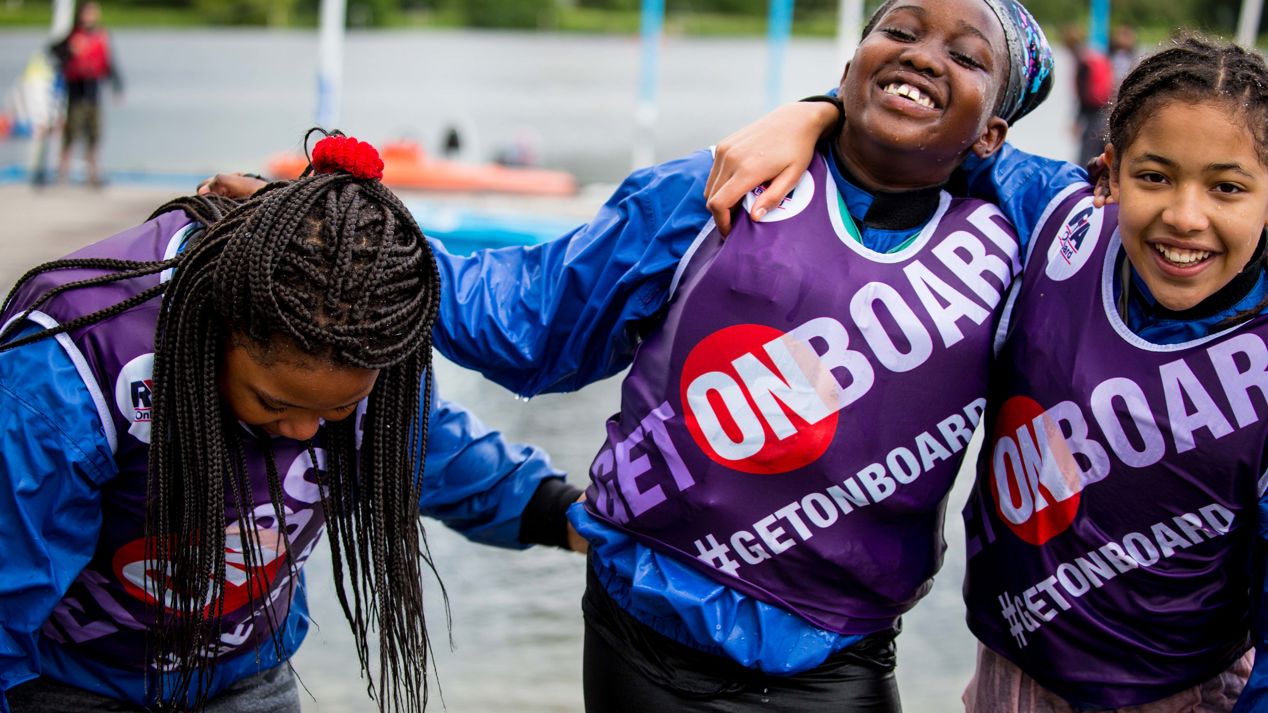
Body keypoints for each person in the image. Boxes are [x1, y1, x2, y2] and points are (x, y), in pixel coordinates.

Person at [204, 4, 1055, 709]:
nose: (921, 55)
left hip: (838, 660)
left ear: (994, 134)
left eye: (965, 54)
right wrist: (337, 238)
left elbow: (1144, 212)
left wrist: (812, 110)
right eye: (898, 31)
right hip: (641, 640)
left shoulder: (1022, 238)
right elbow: (525, 322)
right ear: (851, 64)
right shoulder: (709, 189)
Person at [703, 32, 1268, 713]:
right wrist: (817, 112)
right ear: (1110, 173)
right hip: (1007, 670)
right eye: (1155, 177)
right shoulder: (1056, 220)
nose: (1185, 216)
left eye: (1228, 188)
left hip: (1187, 694)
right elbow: (935, 135)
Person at [0, 132, 580, 712]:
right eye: (274, 404)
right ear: (217, 328)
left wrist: (562, 514)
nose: (306, 430)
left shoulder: (365, 336)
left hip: (246, 675)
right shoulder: (69, 368)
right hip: (69, 683)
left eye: (336, 411)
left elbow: (439, 454)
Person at [50, 1, 122, 187]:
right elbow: (53, 52)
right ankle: (62, 174)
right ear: (81, 14)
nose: (91, 16)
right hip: (75, 94)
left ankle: (93, 175)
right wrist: (70, 51)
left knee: (94, 136)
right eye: (88, 12)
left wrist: (117, 86)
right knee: (71, 134)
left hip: (93, 93)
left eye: (94, 12)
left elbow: (109, 63)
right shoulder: (73, 35)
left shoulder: (101, 35)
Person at [1061, 24, 1112, 165]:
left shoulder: (1083, 63)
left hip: (1092, 112)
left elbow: (1083, 95)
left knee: (1086, 156)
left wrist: (1077, 120)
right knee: (1100, 152)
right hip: (1105, 109)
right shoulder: (1092, 55)